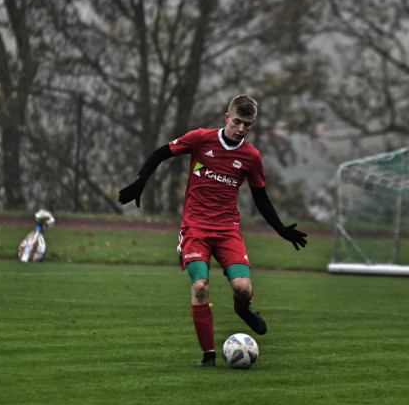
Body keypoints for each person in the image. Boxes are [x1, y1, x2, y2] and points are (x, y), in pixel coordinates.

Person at [118, 95, 308, 367]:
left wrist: (280, 229)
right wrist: (139, 183)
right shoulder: (201, 139)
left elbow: (261, 198)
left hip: (227, 230)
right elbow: (160, 153)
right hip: (195, 228)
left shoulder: (251, 157)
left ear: (252, 125)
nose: (240, 129)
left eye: (247, 125)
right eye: (237, 122)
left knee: (242, 288)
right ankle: (208, 356)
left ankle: (243, 309)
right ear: (226, 117)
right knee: (200, 287)